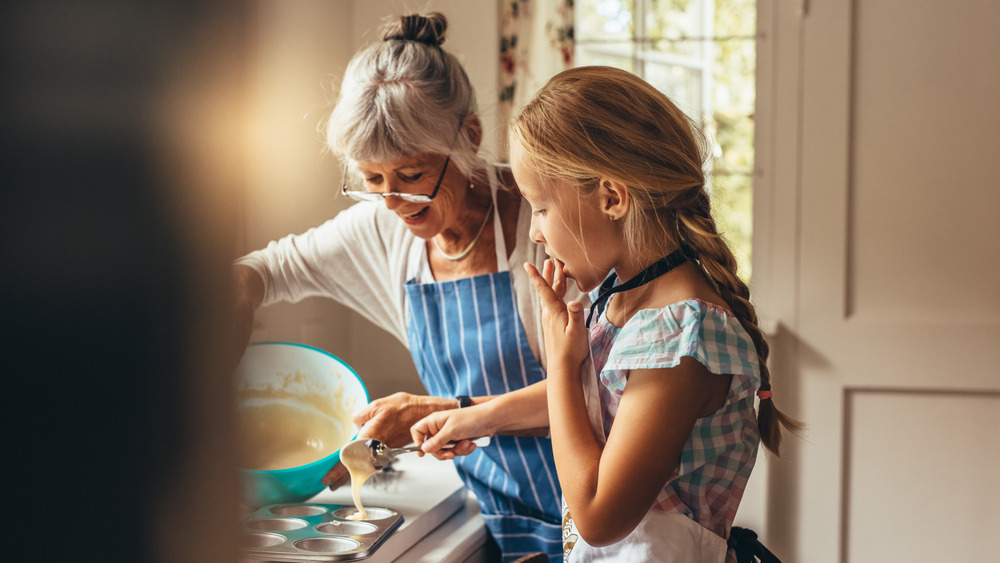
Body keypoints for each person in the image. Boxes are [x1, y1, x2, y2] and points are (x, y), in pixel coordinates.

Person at [412, 66, 800, 562]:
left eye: (542, 209)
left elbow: (598, 518)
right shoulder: (626, 296)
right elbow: (598, 393)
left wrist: (559, 363)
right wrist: (470, 418)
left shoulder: (681, 337)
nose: (535, 232)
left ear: (612, 198)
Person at [231, 13, 578, 563]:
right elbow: (269, 269)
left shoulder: (546, 225)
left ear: (468, 136)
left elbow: (600, 391)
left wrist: (443, 410)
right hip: (495, 516)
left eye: (412, 176)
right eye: (371, 180)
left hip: (592, 513)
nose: (393, 203)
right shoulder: (384, 229)